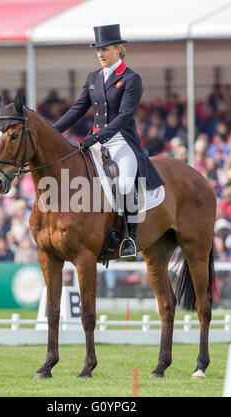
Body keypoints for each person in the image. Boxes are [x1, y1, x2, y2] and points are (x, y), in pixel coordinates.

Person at [54, 24, 165, 257]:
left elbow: (125, 116)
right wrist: (53, 130)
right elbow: (77, 109)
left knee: (124, 186)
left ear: (118, 49)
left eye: (105, 49)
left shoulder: (131, 78)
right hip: (96, 144)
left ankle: (130, 239)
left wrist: (97, 136)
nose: (101, 54)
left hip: (121, 142)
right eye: (98, 50)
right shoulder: (93, 77)